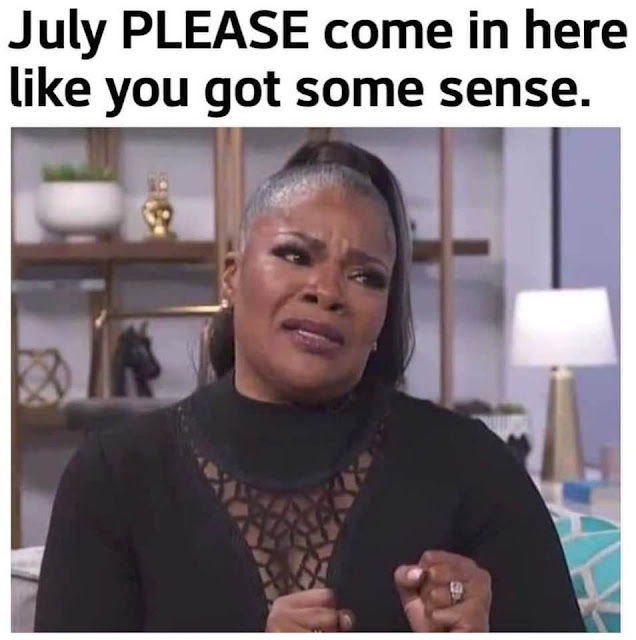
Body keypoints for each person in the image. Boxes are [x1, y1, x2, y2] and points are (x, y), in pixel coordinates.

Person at [35, 140, 585, 632]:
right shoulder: (114, 477)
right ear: (232, 275)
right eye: (295, 255)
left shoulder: (472, 466)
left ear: (385, 312)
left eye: (366, 276)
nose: (327, 291)